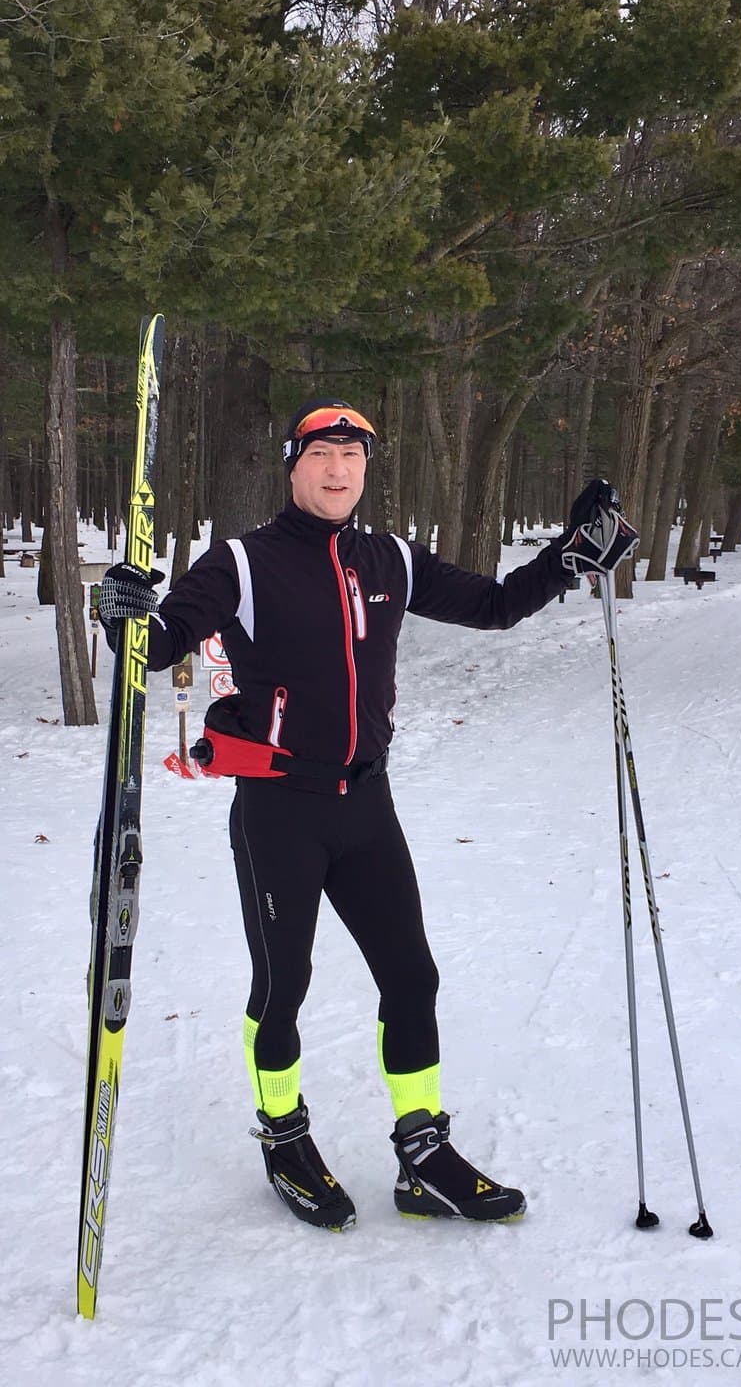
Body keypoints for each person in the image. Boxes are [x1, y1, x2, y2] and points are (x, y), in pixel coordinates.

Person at [100, 399, 637, 1232]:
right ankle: (284, 1136)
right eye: (323, 454)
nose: (339, 469)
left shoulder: (388, 556)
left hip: (366, 804)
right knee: (283, 987)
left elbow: (493, 605)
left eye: (353, 456)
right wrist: (126, 611)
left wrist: (567, 558)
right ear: (293, 463)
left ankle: (422, 1152)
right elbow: (161, 641)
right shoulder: (243, 562)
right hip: (278, 808)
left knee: (411, 978)